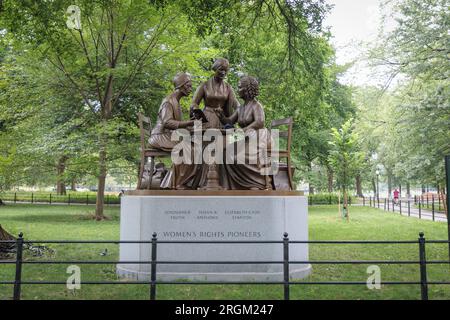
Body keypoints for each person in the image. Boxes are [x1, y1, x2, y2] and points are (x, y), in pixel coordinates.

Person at [216, 76, 272, 190]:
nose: (238, 90)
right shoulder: (240, 108)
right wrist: (221, 115)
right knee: (224, 152)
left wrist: (243, 130)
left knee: (239, 157)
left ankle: (257, 183)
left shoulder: (257, 106)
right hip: (245, 137)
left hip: (258, 137)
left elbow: (260, 122)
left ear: (247, 90)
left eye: (240, 87)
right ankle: (233, 185)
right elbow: (230, 121)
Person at [148, 73, 200, 189]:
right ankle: (178, 183)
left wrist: (191, 126)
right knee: (190, 149)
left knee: (195, 147)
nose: (191, 89)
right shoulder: (168, 101)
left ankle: (173, 182)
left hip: (169, 135)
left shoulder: (176, 102)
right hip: (160, 136)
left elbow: (178, 126)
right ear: (182, 86)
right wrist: (189, 123)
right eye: (189, 86)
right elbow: (168, 122)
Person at [190, 58, 240, 129]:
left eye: (226, 70)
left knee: (223, 139)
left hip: (222, 118)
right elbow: (194, 103)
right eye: (221, 69)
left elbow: (237, 105)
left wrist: (233, 117)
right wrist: (197, 111)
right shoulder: (204, 85)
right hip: (207, 117)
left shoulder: (228, 87)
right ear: (215, 69)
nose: (223, 72)